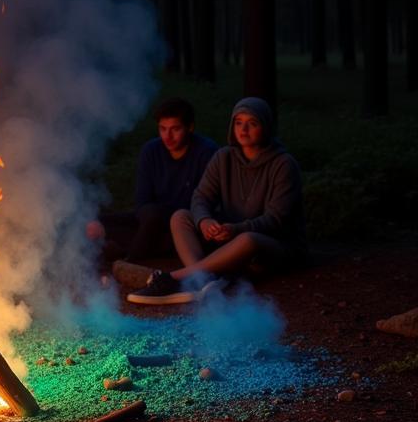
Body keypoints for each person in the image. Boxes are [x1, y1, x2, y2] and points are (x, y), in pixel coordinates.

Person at [128, 96, 308, 305]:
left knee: (248, 239)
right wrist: (204, 220)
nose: (244, 130)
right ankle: (204, 280)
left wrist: (236, 229)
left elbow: (276, 220)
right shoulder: (224, 157)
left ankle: (175, 278)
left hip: (275, 245)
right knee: (181, 217)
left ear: (265, 127)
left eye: (252, 123)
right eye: (239, 123)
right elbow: (200, 197)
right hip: (230, 239)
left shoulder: (283, 164)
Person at [88, 97, 217, 269]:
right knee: (97, 221)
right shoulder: (151, 151)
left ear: (190, 127)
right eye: (163, 129)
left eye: (175, 129)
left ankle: (128, 260)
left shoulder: (206, 153)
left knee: (156, 220)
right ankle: (126, 249)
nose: (168, 136)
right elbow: (142, 203)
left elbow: (202, 204)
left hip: (185, 225)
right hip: (150, 221)